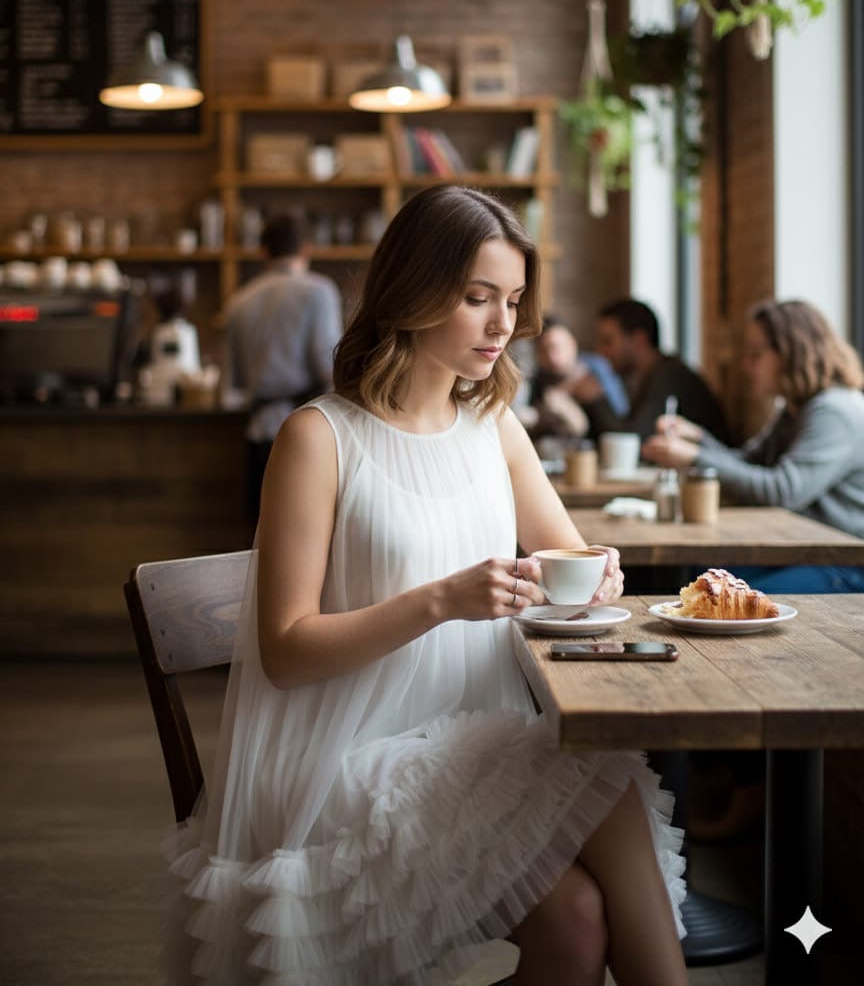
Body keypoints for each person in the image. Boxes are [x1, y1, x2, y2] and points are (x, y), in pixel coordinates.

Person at [165, 184, 687, 986]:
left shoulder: (494, 424)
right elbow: (286, 650)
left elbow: (568, 565)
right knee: (607, 795)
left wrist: (596, 571)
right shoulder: (319, 437)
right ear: (412, 290)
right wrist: (442, 600)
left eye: (512, 300)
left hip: (473, 743)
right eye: (477, 297)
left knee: (577, 930)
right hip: (349, 762)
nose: (502, 324)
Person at [643, 297, 864, 594]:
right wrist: (698, 438)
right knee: (695, 574)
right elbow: (748, 463)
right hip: (800, 552)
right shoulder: (795, 409)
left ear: (791, 353)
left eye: (755, 354)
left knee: (716, 595)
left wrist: (695, 457)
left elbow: (782, 491)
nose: (745, 366)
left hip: (844, 565)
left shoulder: (833, 412)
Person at [224, 212, 343, 524]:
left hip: (257, 435)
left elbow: (234, 380)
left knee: (258, 540)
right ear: (307, 249)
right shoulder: (318, 291)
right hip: (307, 434)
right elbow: (330, 367)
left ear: (263, 251)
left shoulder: (238, 301)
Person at [569, 297, 728, 442]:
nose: (600, 351)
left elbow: (634, 442)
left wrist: (597, 401)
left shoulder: (669, 377)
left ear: (639, 340)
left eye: (608, 341)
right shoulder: (645, 377)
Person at [519, 314, 629, 443]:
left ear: (572, 344)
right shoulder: (538, 379)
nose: (552, 358)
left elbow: (620, 422)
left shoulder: (596, 370)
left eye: (557, 348)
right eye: (544, 350)